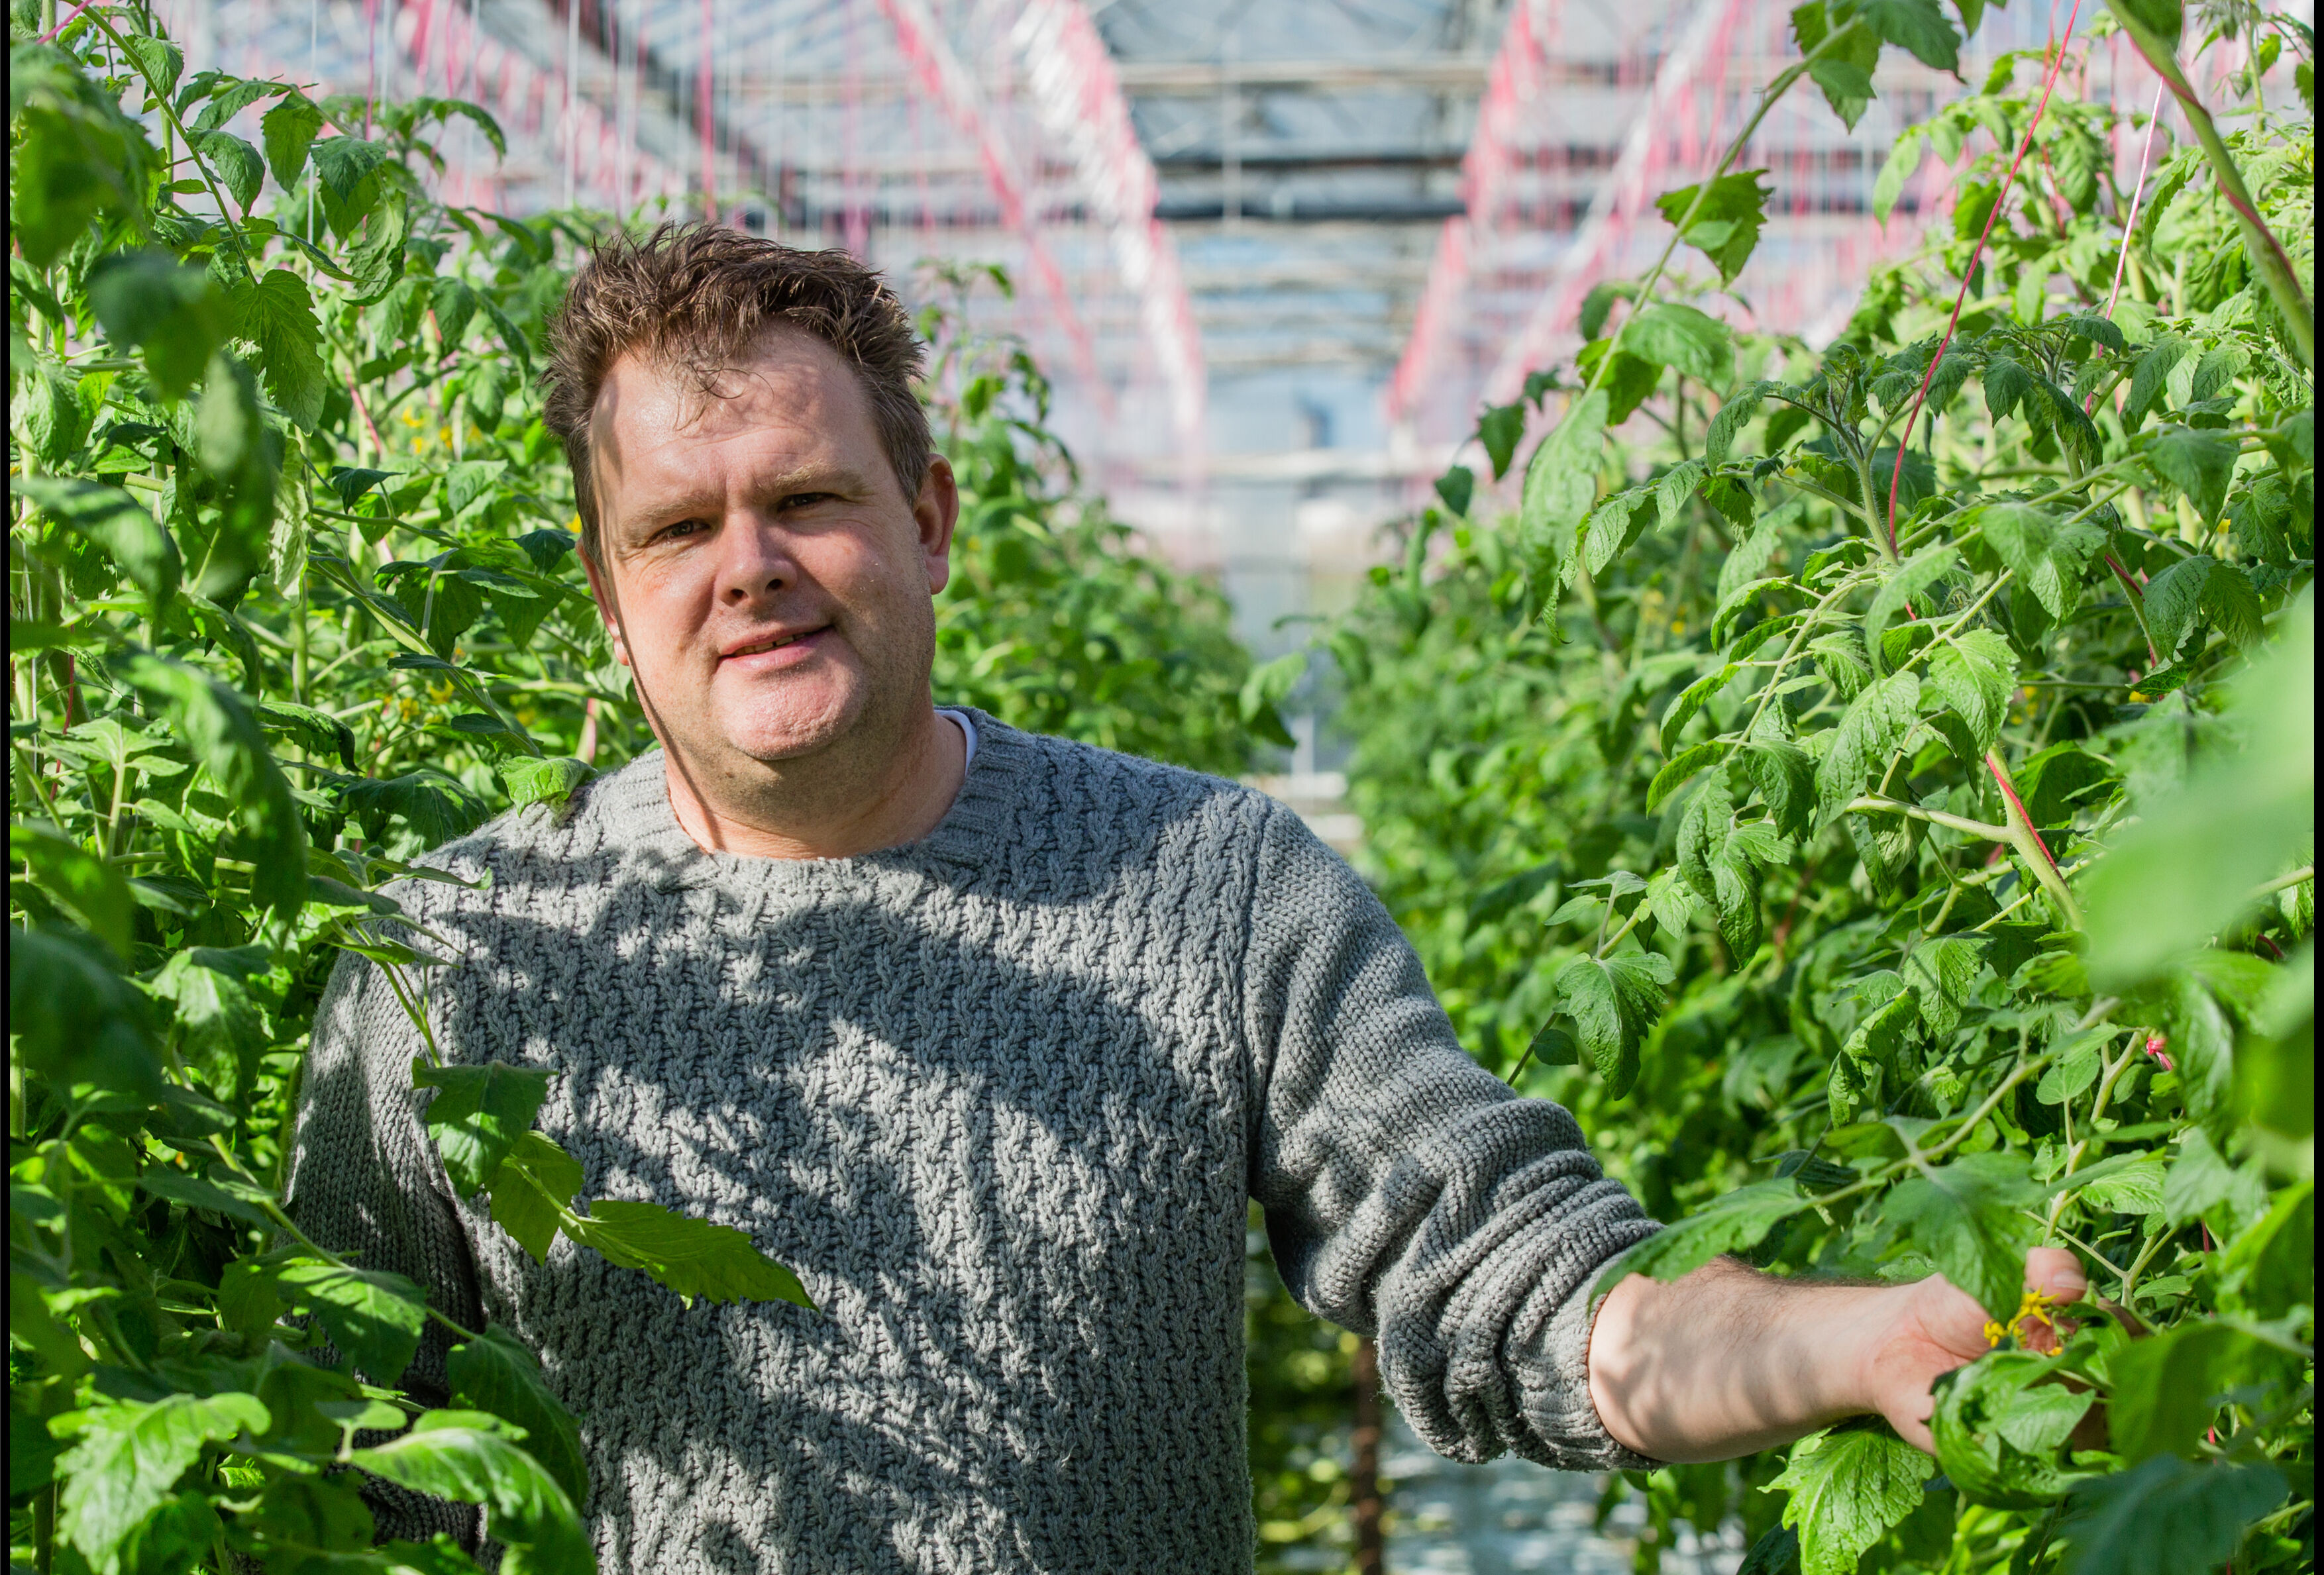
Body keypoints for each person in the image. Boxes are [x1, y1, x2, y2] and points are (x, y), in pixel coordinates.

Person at [290, 225, 2086, 1572]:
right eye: (677, 527)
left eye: (809, 499)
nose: (748, 568)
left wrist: (1835, 1334)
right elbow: (348, 1480)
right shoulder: (455, 968)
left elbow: (1506, 1281)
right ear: (608, 596)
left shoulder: (1207, 890)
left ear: (929, 518)